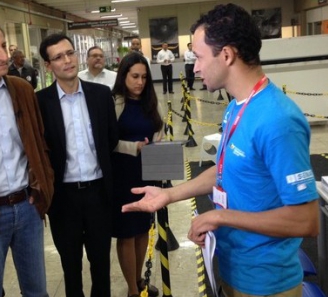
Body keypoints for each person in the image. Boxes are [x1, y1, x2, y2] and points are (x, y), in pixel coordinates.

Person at [122, 3, 319, 296]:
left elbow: (307, 220)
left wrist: (219, 216)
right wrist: (169, 195)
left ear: (226, 55)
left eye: (199, 57)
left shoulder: (278, 120)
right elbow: (225, 169)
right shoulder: (236, 107)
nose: (195, 66)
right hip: (231, 268)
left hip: (265, 282)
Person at [0, 16, 54, 297]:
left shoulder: (21, 90)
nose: (4, 55)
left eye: (3, 46)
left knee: (37, 291)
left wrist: (41, 188)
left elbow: (39, 144)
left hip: (27, 208)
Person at [36, 33, 119, 297]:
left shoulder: (100, 94)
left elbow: (111, 138)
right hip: (63, 198)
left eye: (70, 53)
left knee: (101, 263)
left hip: (98, 193)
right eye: (58, 57)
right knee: (70, 265)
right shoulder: (40, 102)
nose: (67, 60)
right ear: (48, 66)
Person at [111, 52, 163, 297]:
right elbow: (107, 141)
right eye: (134, 76)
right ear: (124, 76)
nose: (140, 82)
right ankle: (132, 290)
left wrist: (155, 145)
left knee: (143, 229)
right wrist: (134, 147)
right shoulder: (115, 102)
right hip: (122, 175)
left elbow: (159, 128)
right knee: (127, 233)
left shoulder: (151, 102)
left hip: (146, 173)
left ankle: (139, 278)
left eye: (143, 77)